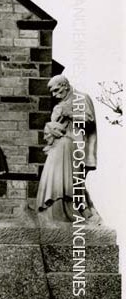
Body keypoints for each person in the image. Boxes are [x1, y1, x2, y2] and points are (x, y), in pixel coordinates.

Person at [36, 75, 98, 223]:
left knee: (73, 180)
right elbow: (54, 125)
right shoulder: (60, 104)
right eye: (52, 92)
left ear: (65, 85)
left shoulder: (81, 98)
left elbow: (89, 119)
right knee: (53, 176)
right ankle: (54, 208)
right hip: (58, 145)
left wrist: (68, 113)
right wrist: (49, 129)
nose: (54, 95)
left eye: (57, 90)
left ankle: (79, 210)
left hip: (75, 145)